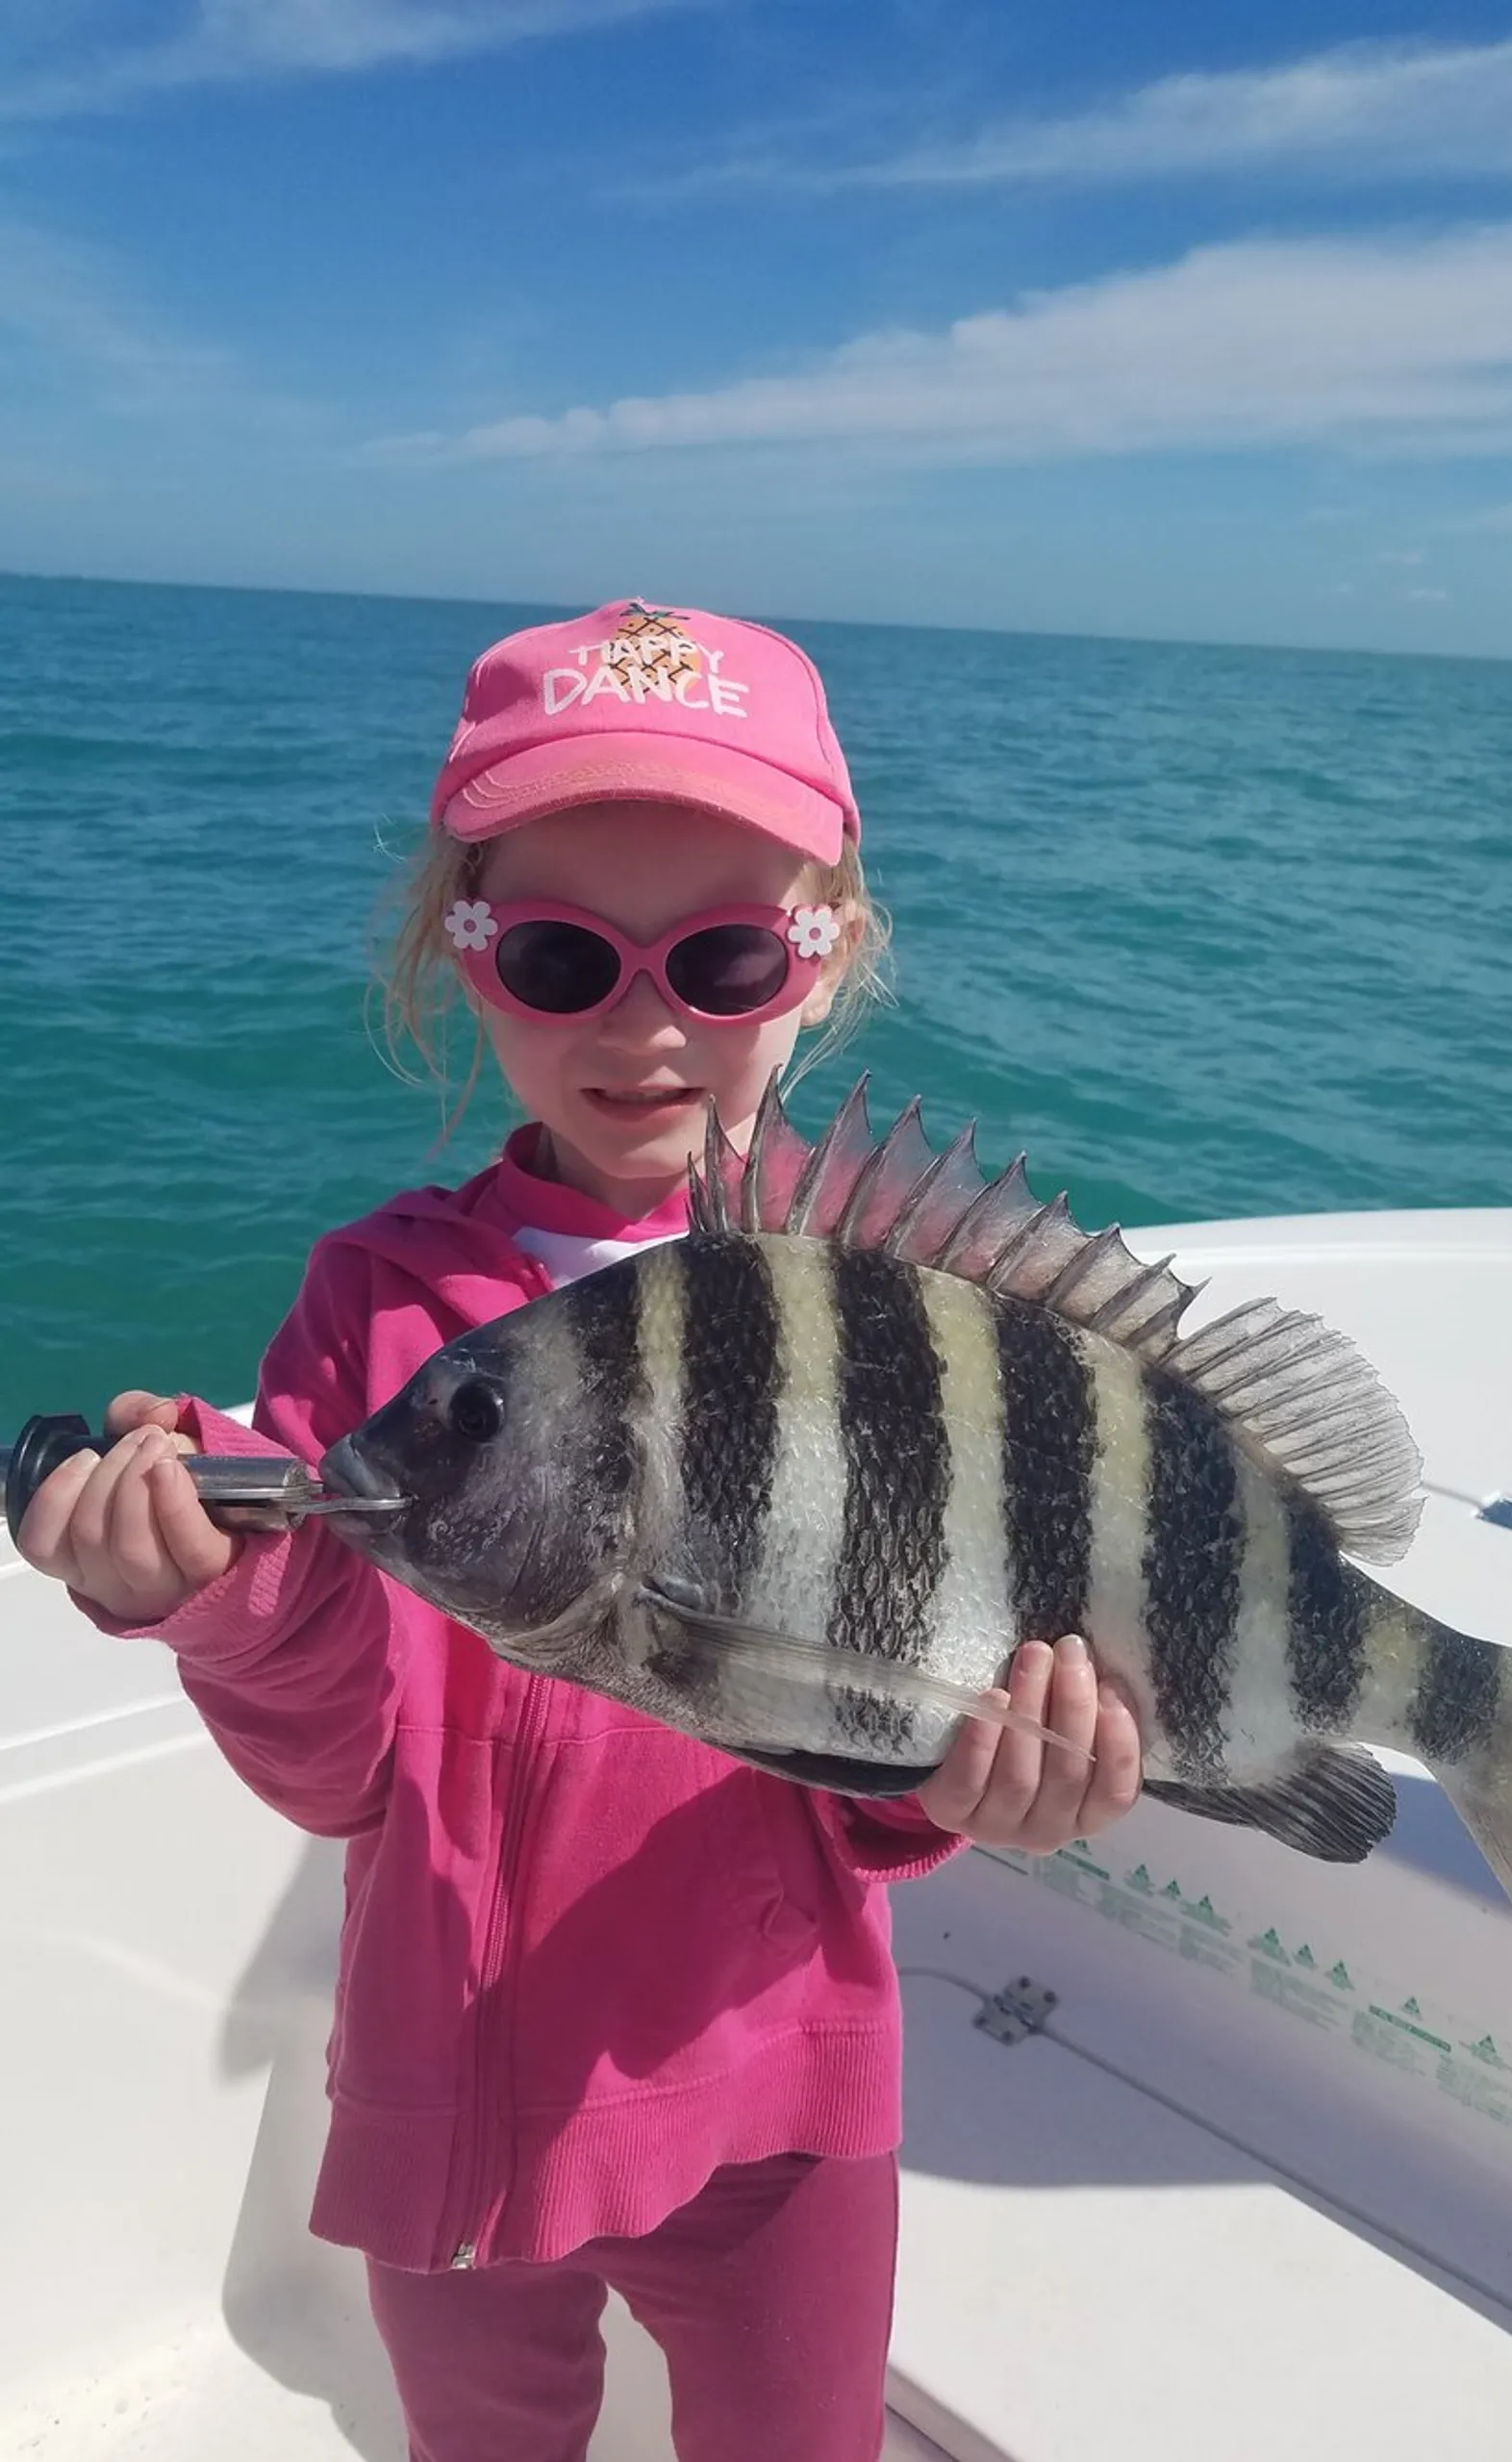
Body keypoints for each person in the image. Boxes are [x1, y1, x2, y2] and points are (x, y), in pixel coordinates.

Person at [20, 599, 1145, 2462]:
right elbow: (346, 1767)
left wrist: (963, 1787)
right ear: (458, 956)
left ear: (826, 950)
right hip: (446, 2092)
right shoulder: (376, 1306)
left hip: (782, 2103)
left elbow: (862, 1764)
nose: (644, 1024)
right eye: (556, 953)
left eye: (722, 955)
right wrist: (223, 1611)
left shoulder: (893, 1308)